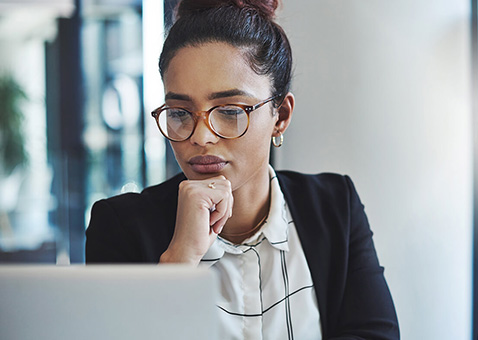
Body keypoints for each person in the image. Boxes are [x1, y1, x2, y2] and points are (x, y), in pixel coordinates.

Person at [85, 0, 400, 339]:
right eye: (179, 113)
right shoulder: (119, 227)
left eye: (230, 111)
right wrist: (178, 260)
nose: (202, 136)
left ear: (280, 116)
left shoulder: (335, 207)